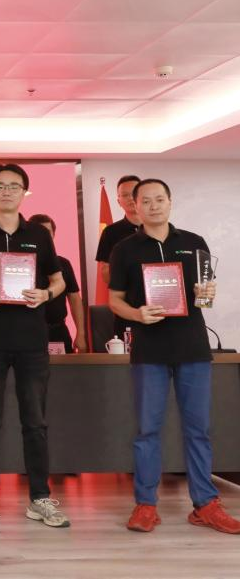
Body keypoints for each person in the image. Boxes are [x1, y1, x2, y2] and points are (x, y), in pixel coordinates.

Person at [108, 178, 240, 534]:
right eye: (146, 201)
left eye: (159, 199)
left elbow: (205, 298)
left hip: (192, 347)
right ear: (135, 206)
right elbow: (114, 300)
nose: (153, 206)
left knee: (198, 429)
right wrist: (137, 315)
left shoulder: (194, 243)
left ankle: (205, 505)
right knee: (147, 430)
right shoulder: (124, 249)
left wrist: (206, 294)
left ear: (170, 202)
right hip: (149, 350)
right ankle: (145, 504)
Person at [0, 164, 70, 529]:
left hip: (31, 340)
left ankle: (39, 498)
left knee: (35, 422)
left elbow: (58, 281)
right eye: (0, 186)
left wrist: (45, 294)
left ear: (24, 192)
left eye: (14, 186)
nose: (7, 191)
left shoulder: (39, 234)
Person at [30, 214, 87, 353]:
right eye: (38, 232)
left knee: (64, 367)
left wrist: (80, 333)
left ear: (53, 235)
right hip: (28, 332)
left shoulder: (63, 264)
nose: (43, 237)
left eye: (47, 233)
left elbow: (75, 299)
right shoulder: (18, 264)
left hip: (57, 331)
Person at [96, 175, 141, 339]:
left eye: (134, 193)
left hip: (160, 306)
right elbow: (105, 272)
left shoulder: (160, 229)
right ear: (118, 201)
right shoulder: (111, 232)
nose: (131, 198)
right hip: (125, 307)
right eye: (125, 195)